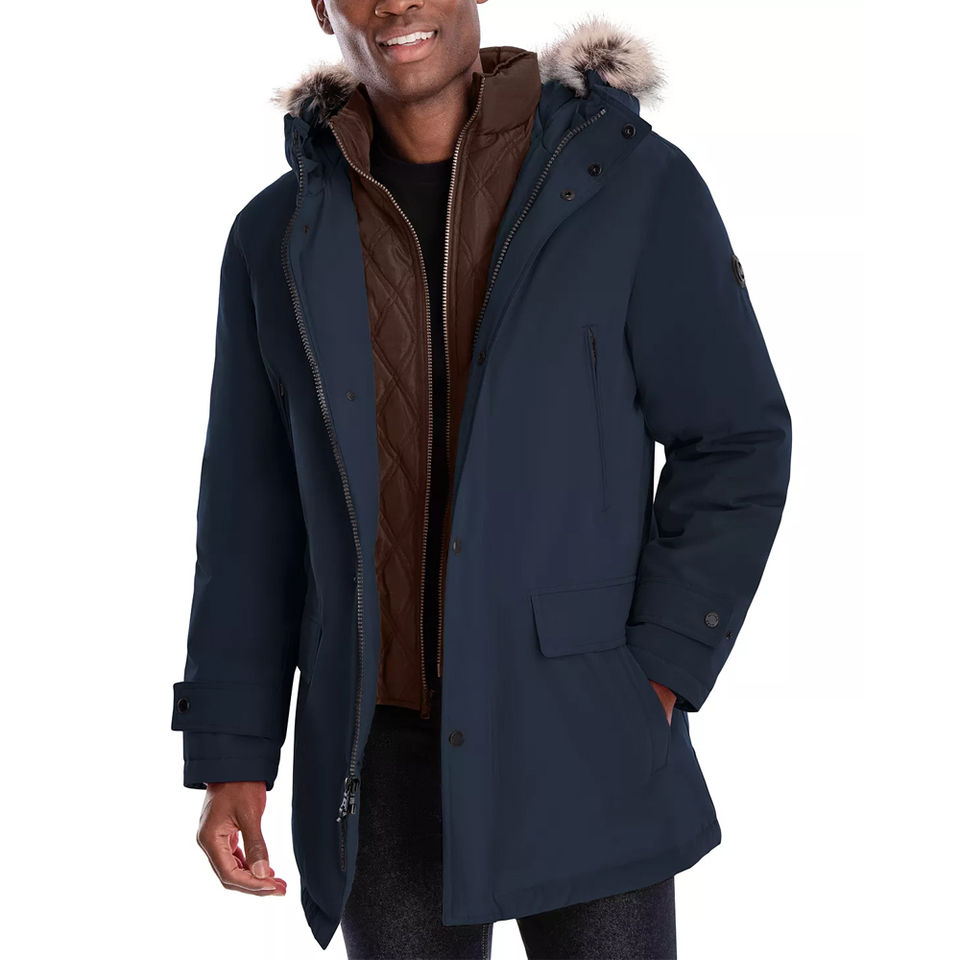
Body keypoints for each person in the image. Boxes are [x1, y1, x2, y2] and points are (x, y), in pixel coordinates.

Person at [171, 2, 792, 957]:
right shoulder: (277, 236)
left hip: (585, 736)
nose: (398, 5)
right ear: (323, 8)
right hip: (379, 757)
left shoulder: (627, 184)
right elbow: (250, 520)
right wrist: (232, 753)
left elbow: (736, 438)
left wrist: (660, 672)